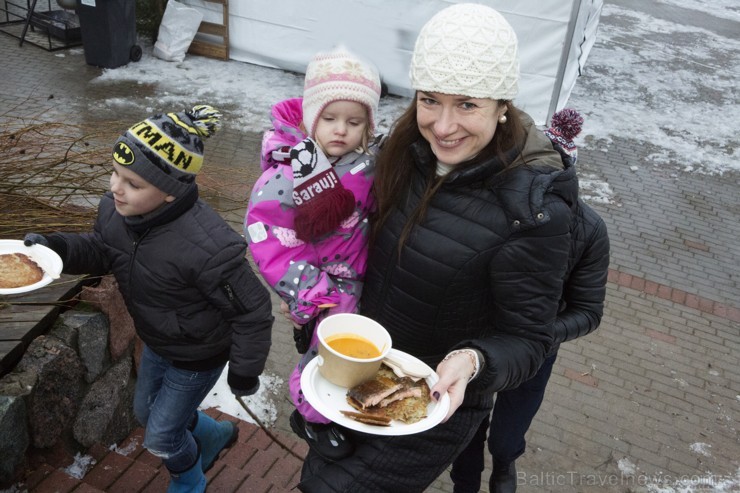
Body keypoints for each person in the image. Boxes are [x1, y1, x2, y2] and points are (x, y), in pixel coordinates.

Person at [295, 4, 580, 492]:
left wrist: (474, 362)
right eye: (430, 100)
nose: (443, 126)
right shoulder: (399, 153)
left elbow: (530, 340)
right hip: (355, 372)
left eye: (467, 104)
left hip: (431, 406)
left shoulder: (533, 207)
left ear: (501, 105)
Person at [24, 105, 274, 493]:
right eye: (115, 173)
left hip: (198, 353)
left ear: (170, 193)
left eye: (133, 183)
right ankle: (212, 436)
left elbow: (253, 310)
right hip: (157, 341)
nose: (115, 188)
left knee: (160, 437)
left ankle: (190, 482)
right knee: (145, 412)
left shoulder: (210, 248)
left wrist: (245, 370)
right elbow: (101, 250)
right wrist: (55, 249)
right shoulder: (115, 212)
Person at [449, 109, 611, 493]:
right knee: (467, 423)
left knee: (507, 433)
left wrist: (538, 332)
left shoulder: (589, 230)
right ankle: (464, 481)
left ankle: (505, 462)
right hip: (477, 341)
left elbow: (589, 311)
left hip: (536, 350)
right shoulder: (496, 209)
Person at [244, 46, 382, 461]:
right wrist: (309, 292)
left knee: (362, 352)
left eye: (354, 121)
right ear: (309, 117)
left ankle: (344, 406)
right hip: (324, 286)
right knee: (326, 353)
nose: (341, 130)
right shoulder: (286, 176)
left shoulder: (368, 163)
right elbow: (268, 238)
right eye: (329, 118)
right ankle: (311, 416)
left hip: (364, 276)